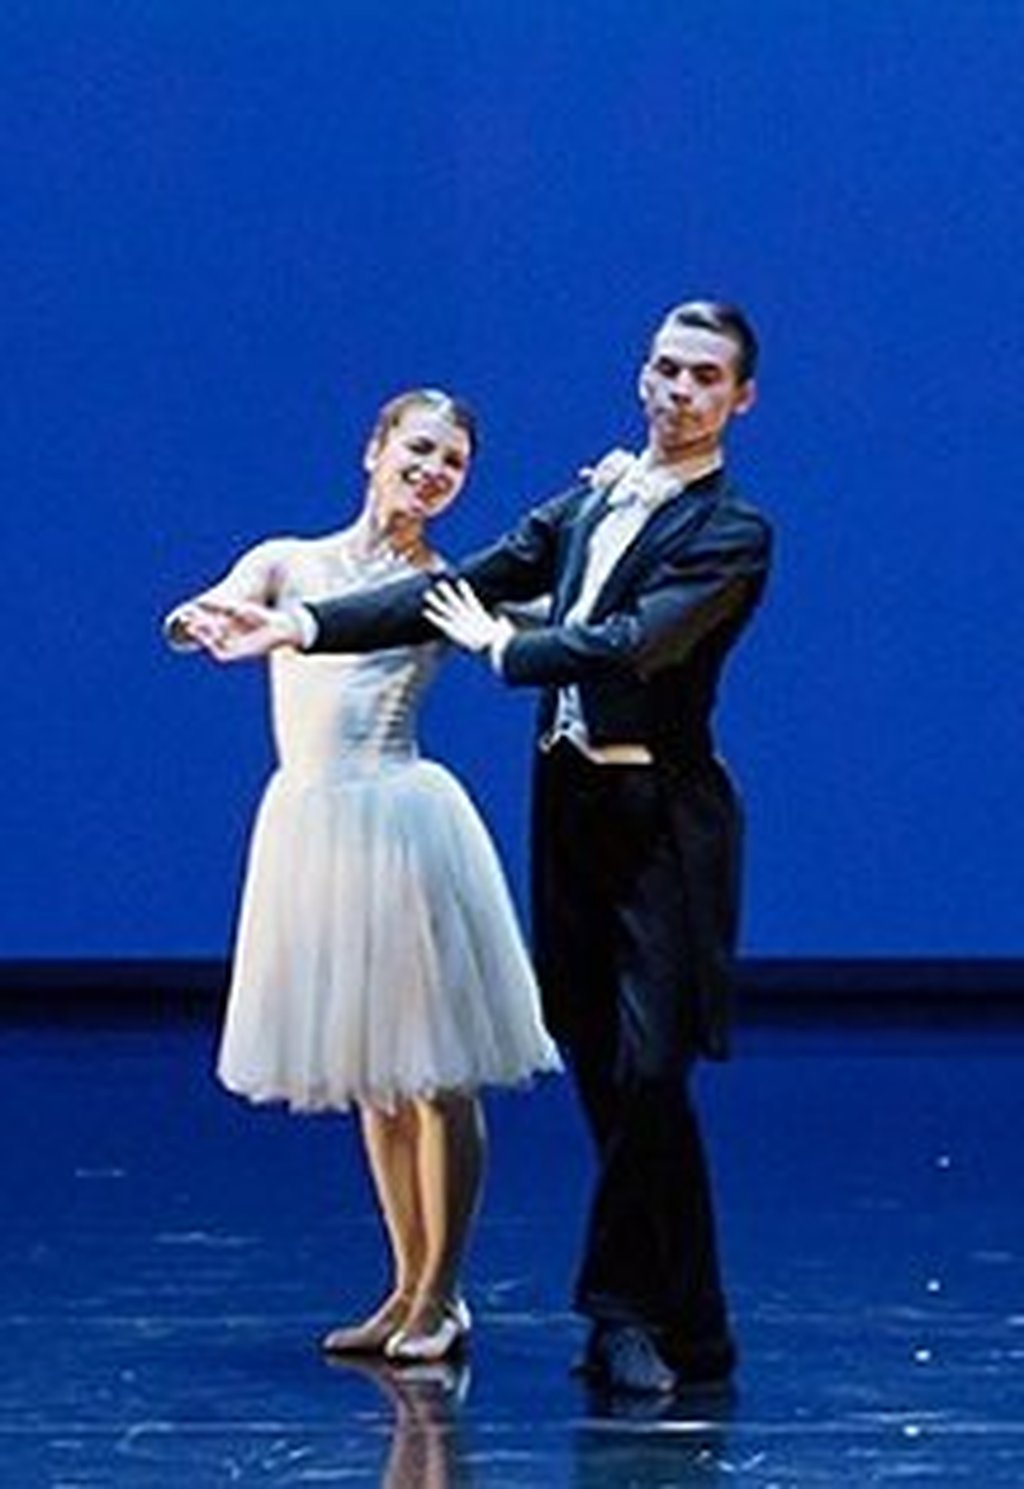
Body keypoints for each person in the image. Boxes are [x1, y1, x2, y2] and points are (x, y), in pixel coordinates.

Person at [189, 301, 772, 1395]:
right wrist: (299, 626)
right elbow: (440, 594)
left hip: (662, 822)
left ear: (739, 398)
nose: (680, 390)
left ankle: (617, 1313)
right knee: (612, 1077)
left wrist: (505, 648)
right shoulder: (590, 499)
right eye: (666, 368)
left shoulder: (732, 529)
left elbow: (632, 644)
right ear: (642, 376)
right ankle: (694, 1319)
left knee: (651, 1068)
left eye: (705, 377)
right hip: (572, 812)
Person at [164, 388, 560, 1364]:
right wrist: (199, 621)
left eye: (453, 462)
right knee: (378, 1079)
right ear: (374, 450)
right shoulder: (289, 559)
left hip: (401, 823)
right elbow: (213, 607)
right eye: (419, 448)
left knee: (436, 1071)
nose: (433, 471)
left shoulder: (443, 585)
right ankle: (403, 1283)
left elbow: (550, 614)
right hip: (315, 825)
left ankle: (442, 1292)